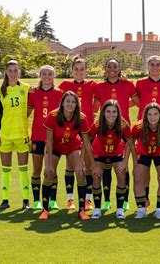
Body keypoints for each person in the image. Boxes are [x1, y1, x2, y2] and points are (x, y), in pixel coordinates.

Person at [39, 91, 94, 220]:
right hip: (56, 146)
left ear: (77, 104)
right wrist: (49, 164)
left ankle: (81, 210)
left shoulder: (81, 118)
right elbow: (49, 141)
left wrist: (81, 162)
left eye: (73, 102)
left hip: (73, 146)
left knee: (81, 173)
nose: (70, 104)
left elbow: (86, 141)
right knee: (48, 173)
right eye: (67, 101)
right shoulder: (53, 116)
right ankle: (45, 210)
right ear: (62, 103)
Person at [94, 58, 139, 211]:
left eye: (115, 66)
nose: (112, 69)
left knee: (122, 167)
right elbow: (94, 108)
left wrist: (125, 106)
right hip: (105, 129)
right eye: (109, 66)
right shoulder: (99, 87)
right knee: (106, 166)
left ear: (119, 69)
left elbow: (139, 102)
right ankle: (106, 200)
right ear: (105, 69)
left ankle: (125, 200)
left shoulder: (128, 84)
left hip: (122, 128)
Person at [0, 60, 31, 210]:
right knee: (6, 169)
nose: (13, 73)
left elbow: (33, 105)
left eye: (15, 70)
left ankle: (26, 200)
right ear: (6, 72)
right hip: (5, 135)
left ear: (19, 72)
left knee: (23, 168)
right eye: (10, 71)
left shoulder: (27, 89)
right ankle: (5, 200)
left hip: (21, 134)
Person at [59, 57, 98, 210]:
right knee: (71, 165)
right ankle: (70, 199)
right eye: (76, 69)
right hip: (71, 130)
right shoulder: (64, 85)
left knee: (88, 165)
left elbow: (99, 100)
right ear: (72, 70)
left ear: (86, 70)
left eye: (82, 69)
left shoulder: (92, 85)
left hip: (87, 129)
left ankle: (88, 200)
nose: (79, 72)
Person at [89, 100, 134, 219]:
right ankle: (97, 209)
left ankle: (120, 210)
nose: (111, 114)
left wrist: (125, 162)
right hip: (99, 152)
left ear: (118, 113)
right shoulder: (98, 124)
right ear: (103, 112)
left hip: (116, 152)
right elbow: (87, 142)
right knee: (96, 175)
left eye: (114, 111)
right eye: (108, 111)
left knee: (121, 174)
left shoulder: (123, 124)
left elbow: (130, 143)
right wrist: (92, 164)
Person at [27, 65, 63, 210]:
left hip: (54, 138)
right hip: (37, 136)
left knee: (51, 170)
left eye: (50, 74)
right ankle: (36, 201)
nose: (47, 77)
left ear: (54, 76)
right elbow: (26, 114)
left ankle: (53, 200)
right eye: (44, 74)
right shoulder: (33, 92)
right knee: (37, 169)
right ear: (40, 76)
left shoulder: (60, 93)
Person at [131, 103, 160, 219]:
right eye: (149, 114)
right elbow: (130, 142)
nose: (152, 117)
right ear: (145, 115)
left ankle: (159, 209)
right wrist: (135, 163)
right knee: (138, 176)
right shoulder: (138, 127)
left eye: (155, 114)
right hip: (143, 153)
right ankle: (141, 209)